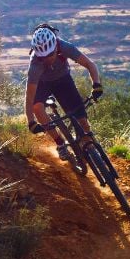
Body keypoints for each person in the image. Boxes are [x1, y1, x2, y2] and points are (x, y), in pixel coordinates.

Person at [25, 24, 103, 161]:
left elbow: (90, 64)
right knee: (37, 107)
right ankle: (60, 144)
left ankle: (89, 142)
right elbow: (30, 96)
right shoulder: (35, 64)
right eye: (43, 57)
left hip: (63, 79)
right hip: (43, 83)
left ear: (55, 46)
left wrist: (96, 84)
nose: (48, 59)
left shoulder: (65, 47)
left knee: (82, 119)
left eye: (50, 54)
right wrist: (31, 121)